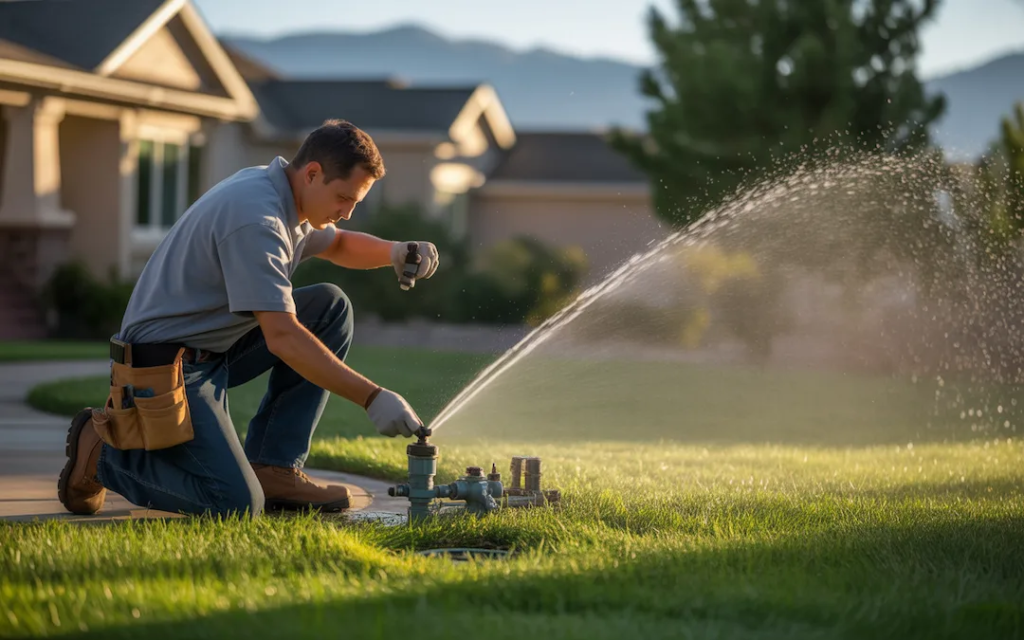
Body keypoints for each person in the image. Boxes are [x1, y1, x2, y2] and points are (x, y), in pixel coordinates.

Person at [57, 119, 438, 518]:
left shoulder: (285, 196)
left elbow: (339, 244)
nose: (346, 212)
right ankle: (103, 455)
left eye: (356, 202)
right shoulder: (257, 219)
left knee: (329, 307)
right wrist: (372, 397)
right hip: (165, 367)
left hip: (210, 348)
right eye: (344, 198)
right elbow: (283, 338)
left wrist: (395, 250)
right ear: (313, 174)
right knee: (235, 504)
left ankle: (275, 469)